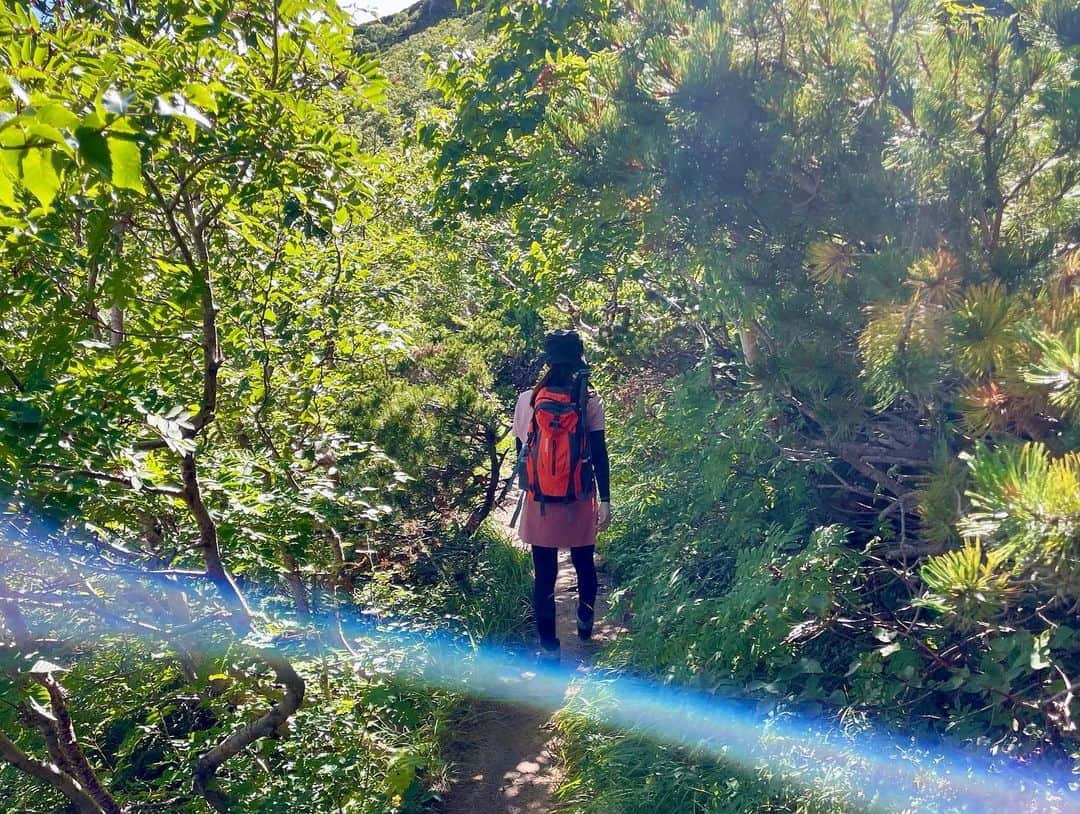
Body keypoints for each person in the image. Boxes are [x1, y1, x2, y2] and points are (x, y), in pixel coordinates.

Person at [511, 329, 611, 661]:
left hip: (540, 501)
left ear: (548, 361)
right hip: (579, 497)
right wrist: (606, 501)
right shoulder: (590, 402)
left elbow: (522, 455)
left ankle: (549, 647)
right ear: (579, 360)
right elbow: (599, 454)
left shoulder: (527, 400)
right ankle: (584, 620)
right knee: (584, 564)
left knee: (545, 574)